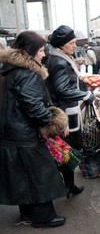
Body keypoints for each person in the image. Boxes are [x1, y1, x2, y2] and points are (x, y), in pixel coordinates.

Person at [0, 30, 68, 227]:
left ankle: (28, 213)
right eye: (40, 50)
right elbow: (34, 107)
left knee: (21, 176)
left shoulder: (8, 69)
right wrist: (53, 122)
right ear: (29, 52)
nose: (44, 54)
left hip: (9, 133)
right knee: (41, 175)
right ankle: (43, 217)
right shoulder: (27, 73)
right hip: (25, 134)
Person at [45, 25, 96, 198]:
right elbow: (62, 89)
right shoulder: (59, 61)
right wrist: (85, 94)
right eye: (72, 43)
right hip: (65, 112)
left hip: (67, 109)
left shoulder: (58, 57)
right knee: (67, 149)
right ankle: (66, 186)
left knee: (66, 149)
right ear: (61, 44)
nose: (75, 46)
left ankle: (69, 185)